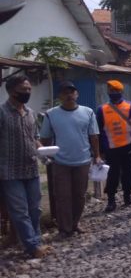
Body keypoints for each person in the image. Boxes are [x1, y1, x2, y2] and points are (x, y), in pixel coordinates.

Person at [40, 81, 101, 238]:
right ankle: (65, 228)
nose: (69, 95)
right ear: (59, 96)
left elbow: (93, 136)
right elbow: (45, 138)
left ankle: (75, 224)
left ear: (77, 94)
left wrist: (97, 155)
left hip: (82, 160)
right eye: (65, 93)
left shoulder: (88, 112)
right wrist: (44, 154)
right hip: (60, 162)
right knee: (63, 196)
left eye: (72, 92)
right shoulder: (51, 114)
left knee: (79, 195)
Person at [0, 75, 50, 258]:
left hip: (31, 168)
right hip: (9, 171)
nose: (28, 93)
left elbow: (35, 137)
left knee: (35, 209)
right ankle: (32, 247)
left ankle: (35, 241)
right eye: (24, 90)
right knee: (19, 211)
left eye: (29, 89)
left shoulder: (30, 112)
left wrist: (44, 152)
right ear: (12, 91)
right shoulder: (2, 113)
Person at [96, 80, 131, 212]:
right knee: (112, 175)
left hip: (128, 147)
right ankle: (111, 201)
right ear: (108, 92)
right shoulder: (101, 110)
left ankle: (127, 196)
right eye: (111, 91)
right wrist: (100, 151)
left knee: (129, 173)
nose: (113, 93)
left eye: (116, 91)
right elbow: (98, 131)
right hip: (110, 148)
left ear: (121, 92)